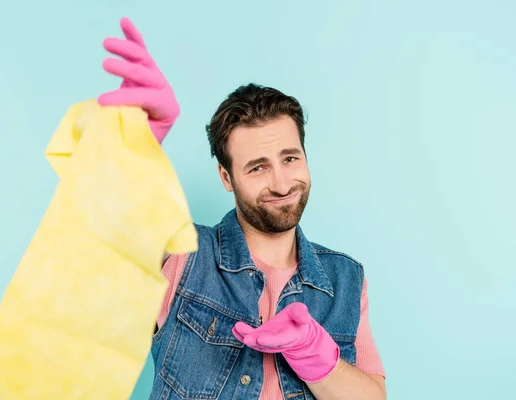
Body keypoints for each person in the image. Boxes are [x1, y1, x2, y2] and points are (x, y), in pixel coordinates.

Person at [98, 17, 387, 400]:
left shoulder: (345, 279)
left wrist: (318, 356)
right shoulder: (184, 255)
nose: (282, 183)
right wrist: (136, 147)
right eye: (258, 167)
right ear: (226, 176)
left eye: (290, 159)